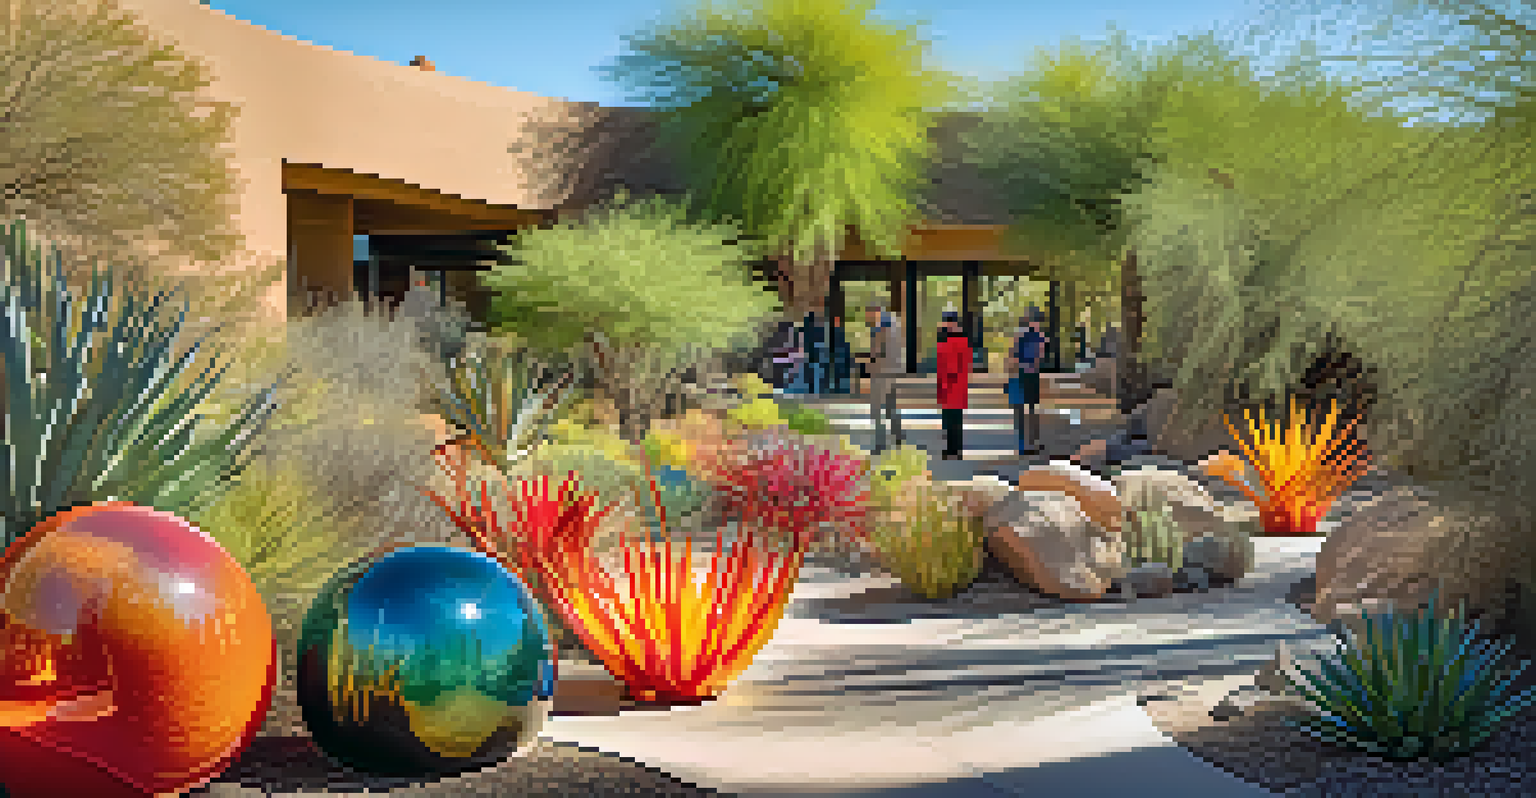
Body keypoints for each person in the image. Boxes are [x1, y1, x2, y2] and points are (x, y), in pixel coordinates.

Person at [1007, 308, 1050, 456]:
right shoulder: (1030, 336)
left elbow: (1014, 356)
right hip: (1025, 375)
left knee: (1029, 410)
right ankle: (1027, 443)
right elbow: (1016, 356)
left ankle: (1029, 443)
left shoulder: (1030, 335)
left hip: (1027, 375)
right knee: (1026, 410)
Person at [864, 303, 905, 454]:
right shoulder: (893, 323)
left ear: (875, 311)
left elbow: (879, 352)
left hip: (882, 372)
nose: (867, 318)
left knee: (877, 409)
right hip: (892, 371)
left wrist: (871, 364)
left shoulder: (883, 327)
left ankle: (880, 443)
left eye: (868, 314)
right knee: (890, 406)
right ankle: (898, 436)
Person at [936, 310, 972, 461]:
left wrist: (944, 385)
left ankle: (953, 450)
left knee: (952, 421)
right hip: (954, 387)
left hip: (951, 387)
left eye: (947, 322)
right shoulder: (960, 340)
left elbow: (951, 367)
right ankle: (954, 450)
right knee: (953, 421)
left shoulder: (954, 341)